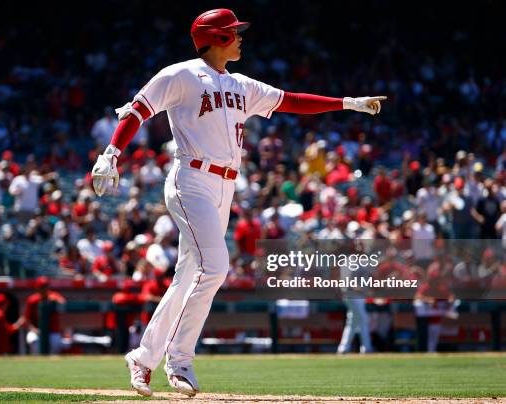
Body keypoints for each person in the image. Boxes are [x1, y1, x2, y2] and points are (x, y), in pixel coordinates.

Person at [90, 8, 385, 397]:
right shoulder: (180, 74)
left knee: (189, 276)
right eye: (234, 31)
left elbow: (292, 101)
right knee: (215, 266)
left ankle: (143, 358)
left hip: (224, 187)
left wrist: (348, 102)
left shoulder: (242, 84)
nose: (241, 37)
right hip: (190, 179)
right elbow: (138, 110)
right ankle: (179, 362)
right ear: (217, 37)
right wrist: (110, 153)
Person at [17, 276, 66, 354]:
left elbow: (63, 303)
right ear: (38, 288)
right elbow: (26, 319)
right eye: (42, 287)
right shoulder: (32, 300)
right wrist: (33, 329)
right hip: (38, 331)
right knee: (32, 339)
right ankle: (37, 360)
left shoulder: (54, 296)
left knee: (56, 342)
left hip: (52, 332)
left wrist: (54, 301)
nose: (44, 289)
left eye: (46, 286)